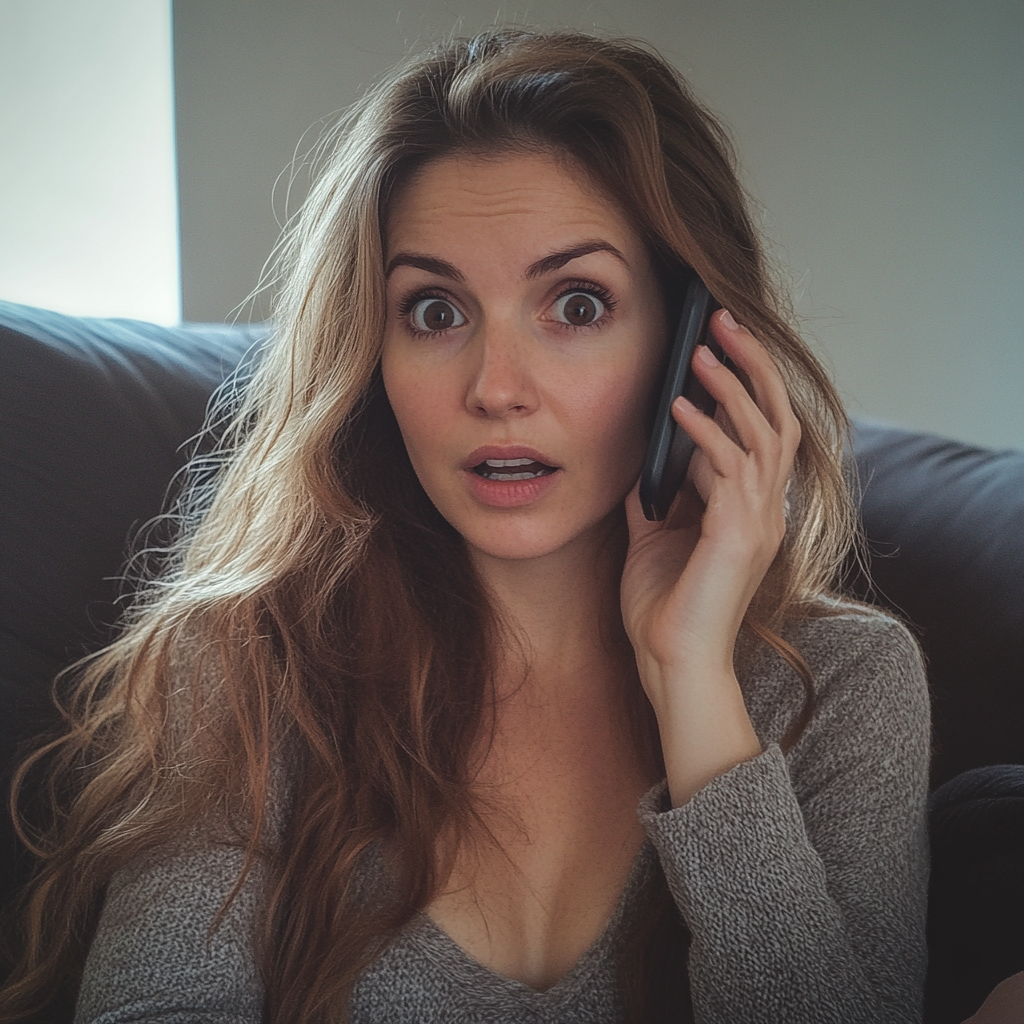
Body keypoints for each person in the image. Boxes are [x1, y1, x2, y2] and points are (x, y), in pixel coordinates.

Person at [0, 27, 930, 1024]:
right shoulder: (251, 664)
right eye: (436, 312)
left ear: (694, 345)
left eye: (575, 304)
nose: (493, 388)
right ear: (372, 352)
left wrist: (694, 678)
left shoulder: (848, 685)